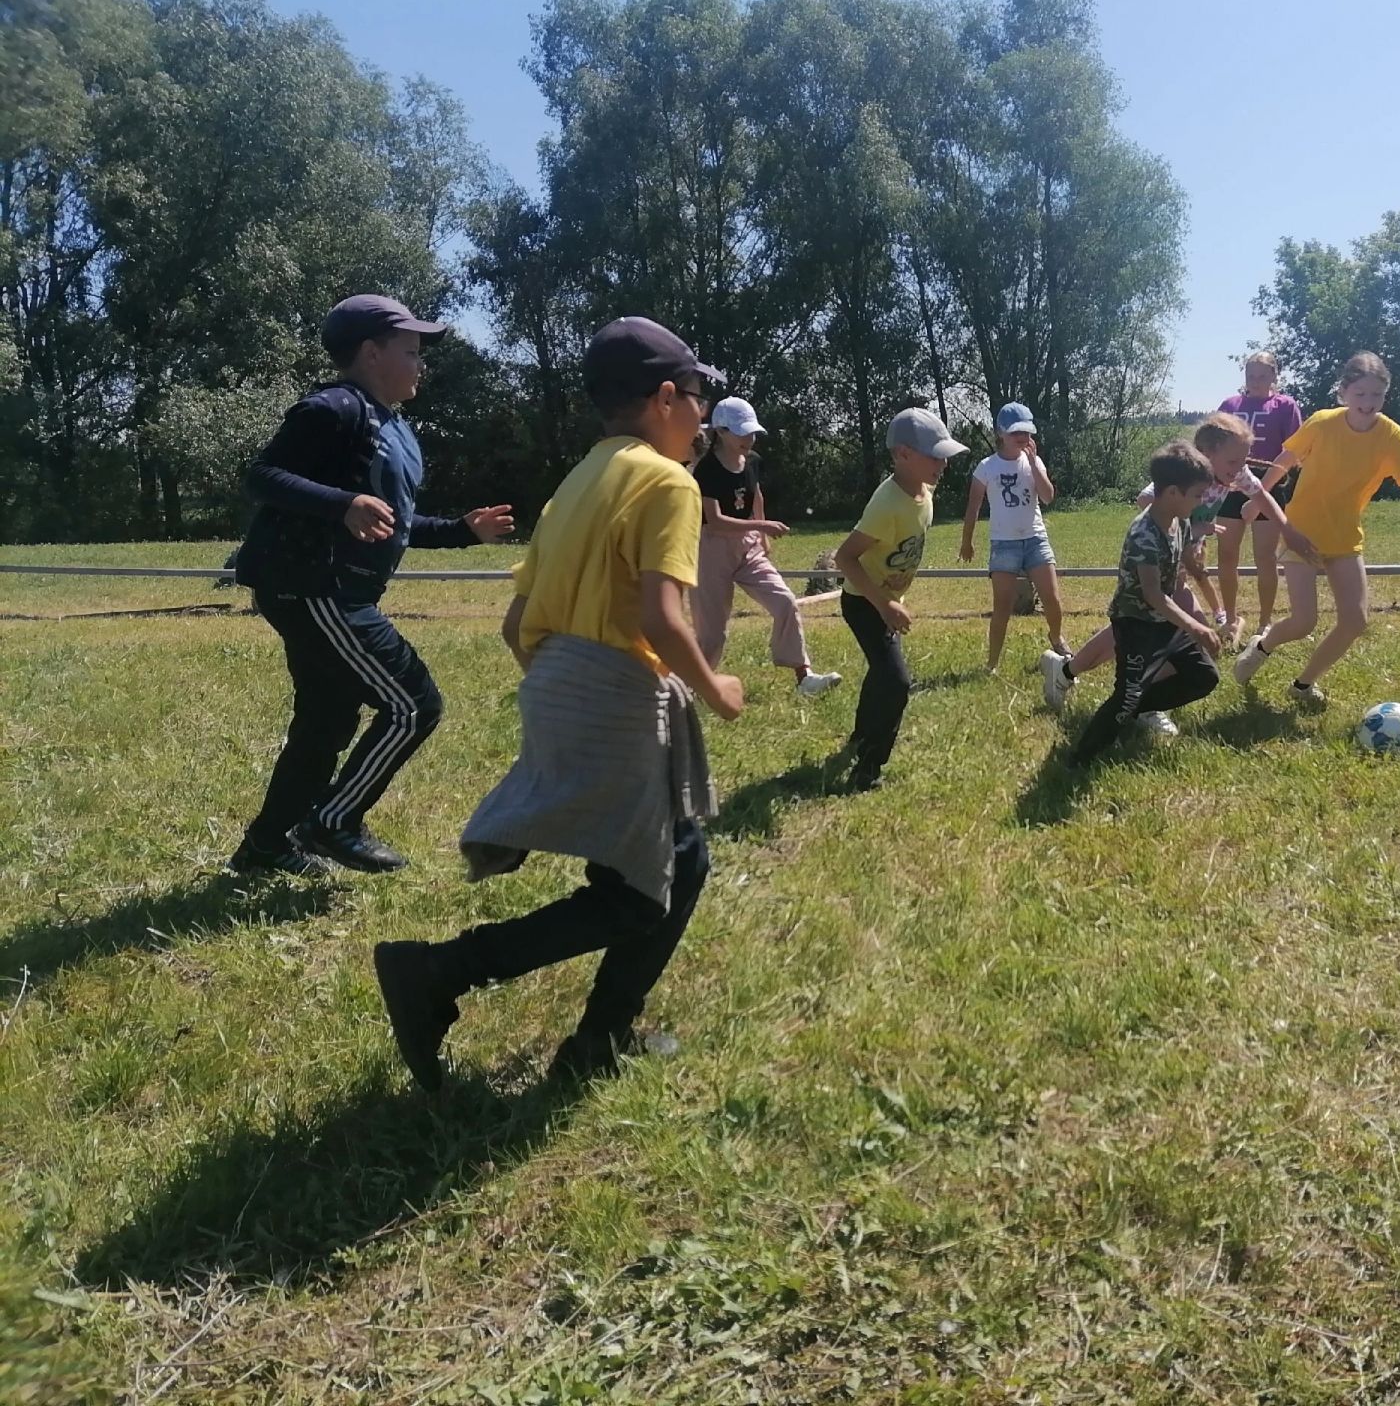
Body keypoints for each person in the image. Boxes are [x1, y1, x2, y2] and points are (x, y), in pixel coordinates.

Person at [373, 316, 743, 1090]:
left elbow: (517, 621)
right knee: (648, 889)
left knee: (675, 865)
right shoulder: (668, 481)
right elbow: (660, 619)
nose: (704, 415)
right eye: (700, 398)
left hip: (555, 679)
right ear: (666, 397)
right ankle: (441, 973)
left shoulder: (577, 481)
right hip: (614, 689)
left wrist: (564, 684)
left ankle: (596, 1036)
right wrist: (717, 689)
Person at [228, 294, 513, 876]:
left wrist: (463, 531)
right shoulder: (334, 408)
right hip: (316, 589)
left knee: (326, 724)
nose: (420, 364)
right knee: (414, 704)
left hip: (333, 592)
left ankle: (264, 848)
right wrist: (342, 503)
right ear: (370, 352)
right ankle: (333, 822)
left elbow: (393, 524)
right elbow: (260, 476)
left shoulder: (396, 427)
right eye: (410, 351)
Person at [1040, 413, 1318, 735]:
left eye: (1243, 459)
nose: (1240, 467)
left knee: (1137, 633)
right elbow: (1147, 498)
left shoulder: (1234, 473)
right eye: (1232, 460)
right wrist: (1185, 533)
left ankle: (1067, 672)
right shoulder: (1186, 472)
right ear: (1206, 453)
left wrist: (1287, 530)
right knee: (1162, 631)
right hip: (1154, 564)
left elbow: (1261, 496)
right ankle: (1140, 702)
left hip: (1177, 568)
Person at [1232, 351, 1400, 706]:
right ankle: (1264, 645)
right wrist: (1258, 498)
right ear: (1344, 392)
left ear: (1385, 395)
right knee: (1304, 623)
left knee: (1354, 621)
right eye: (1360, 394)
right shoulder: (1321, 423)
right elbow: (1284, 461)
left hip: (1345, 537)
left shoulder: (1393, 436)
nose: (1368, 402)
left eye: (1376, 395)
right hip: (1301, 532)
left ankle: (1303, 685)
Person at [832, 407, 967, 791]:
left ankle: (860, 735)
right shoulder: (886, 504)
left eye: (944, 454)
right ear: (903, 454)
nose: (943, 462)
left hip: (882, 599)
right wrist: (886, 604)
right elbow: (845, 558)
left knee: (882, 671)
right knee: (896, 680)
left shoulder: (924, 490)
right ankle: (867, 768)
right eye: (934, 455)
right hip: (864, 602)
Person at [1070, 442, 1223, 763]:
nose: (1201, 502)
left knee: (1204, 677)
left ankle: (1133, 709)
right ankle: (1079, 760)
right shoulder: (1144, 535)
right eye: (1196, 495)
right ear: (1170, 494)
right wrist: (1196, 626)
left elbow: (1178, 565)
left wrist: (1196, 566)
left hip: (1166, 621)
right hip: (1137, 625)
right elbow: (1153, 595)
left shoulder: (1179, 521)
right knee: (1125, 698)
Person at [689, 395, 841, 697]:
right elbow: (715, 521)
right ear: (721, 432)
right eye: (742, 432)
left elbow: (755, 495)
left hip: (747, 546)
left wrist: (761, 534)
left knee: (785, 602)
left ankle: (804, 678)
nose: (750, 438)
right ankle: (692, 688)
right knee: (712, 632)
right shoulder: (706, 470)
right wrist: (762, 525)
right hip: (711, 548)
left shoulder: (753, 460)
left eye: (752, 431)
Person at [958, 402, 1071, 672]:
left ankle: (1056, 638)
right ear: (1001, 434)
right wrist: (967, 541)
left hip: (1035, 539)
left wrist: (1033, 464)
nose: (1023, 438)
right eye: (1016, 432)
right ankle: (992, 662)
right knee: (1002, 607)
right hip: (1004, 544)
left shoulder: (1034, 462)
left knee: (1052, 599)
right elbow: (973, 506)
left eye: (1027, 433)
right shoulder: (987, 467)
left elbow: (1048, 496)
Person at [1214, 350, 1304, 643]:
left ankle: (1265, 622)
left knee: (1265, 556)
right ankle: (1229, 618)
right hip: (1230, 483)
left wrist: (1260, 493)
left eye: (1262, 376)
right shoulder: (1230, 405)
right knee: (1227, 554)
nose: (1256, 381)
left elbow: (1292, 454)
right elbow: (1212, 445)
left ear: (1274, 376)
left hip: (1270, 483)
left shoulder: (1285, 406)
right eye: (1251, 376)